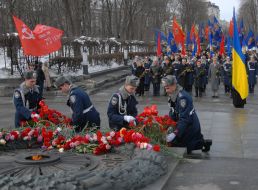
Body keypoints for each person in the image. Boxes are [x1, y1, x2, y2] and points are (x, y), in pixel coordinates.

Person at [161, 75, 212, 154]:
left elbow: (185, 119)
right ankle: (200, 142)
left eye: (167, 88)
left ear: (174, 85)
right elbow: (172, 111)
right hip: (182, 123)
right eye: (165, 88)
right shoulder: (173, 94)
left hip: (189, 125)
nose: (166, 91)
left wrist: (175, 133)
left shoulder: (183, 98)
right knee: (176, 143)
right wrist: (168, 125)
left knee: (185, 146)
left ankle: (204, 143)